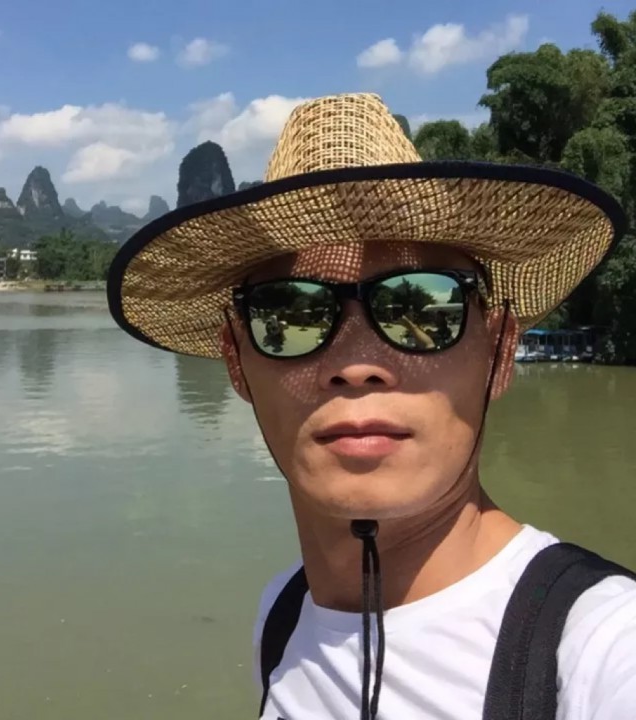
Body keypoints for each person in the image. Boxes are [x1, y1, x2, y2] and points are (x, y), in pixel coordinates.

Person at [107, 93, 636, 719]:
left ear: (498, 351)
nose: (356, 364)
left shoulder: (598, 647)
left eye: (423, 310)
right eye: (292, 314)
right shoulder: (284, 618)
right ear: (235, 361)